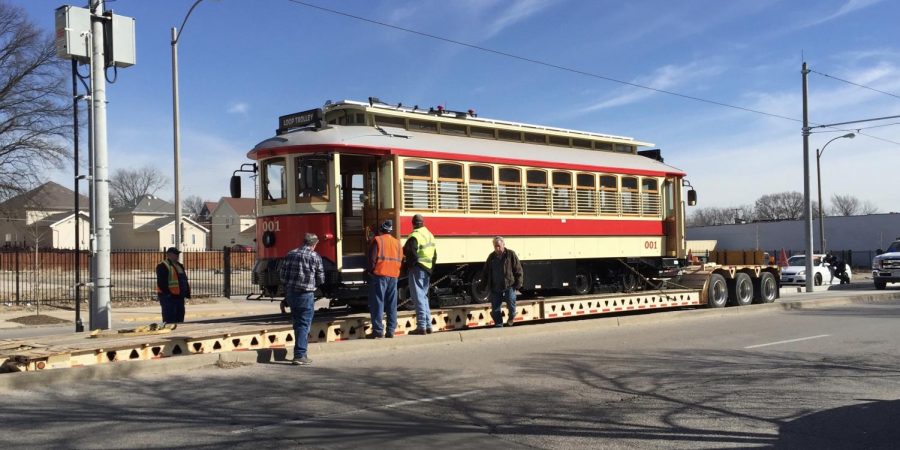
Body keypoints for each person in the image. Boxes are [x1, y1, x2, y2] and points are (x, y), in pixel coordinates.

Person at [279, 233, 325, 366]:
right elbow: (321, 278)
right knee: (304, 324)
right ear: (314, 244)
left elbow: (282, 275)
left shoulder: (290, 254)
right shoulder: (315, 256)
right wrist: (313, 284)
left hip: (291, 294)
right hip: (306, 294)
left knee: (297, 323)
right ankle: (300, 355)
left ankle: (301, 353)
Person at [366, 220, 402, 339]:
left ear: (381, 230)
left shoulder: (378, 240)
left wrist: (370, 271)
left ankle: (378, 330)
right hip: (394, 275)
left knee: (378, 302)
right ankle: (391, 330)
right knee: (392, 303)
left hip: (380, 274)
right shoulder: (397, 243)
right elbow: (401, 259)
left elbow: (372, 259)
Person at [480, 236, 524, 328]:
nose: (497, 248)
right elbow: (485, 272)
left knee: (511, 305)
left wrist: (519, 283)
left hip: (509, 285)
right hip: (496, 286)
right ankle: (499, 325)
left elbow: (518, 269)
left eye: (499, 246)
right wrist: (482, 286)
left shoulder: (510, 254)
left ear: (503, 244)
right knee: (495, 309)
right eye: (495, 246)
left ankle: (511, 317)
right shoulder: (491, 257)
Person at [404, 214, 436, 335]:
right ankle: (428, 326)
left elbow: (410, 252)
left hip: (417, 268)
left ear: (413, 223)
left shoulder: (415, 235)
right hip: (427, 268)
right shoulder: (429, 234)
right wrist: (430, 268)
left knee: (417, 297)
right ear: (423, 222)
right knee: (423, 297)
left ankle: (421, 326)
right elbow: (435, 255)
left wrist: (410, 265)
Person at [156, 247, 191, 324]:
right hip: (168, 298)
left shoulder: (179, 265)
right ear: (169, 255)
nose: (177, 256)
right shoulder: (163, 265)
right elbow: (161, 282)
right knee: (169, 319)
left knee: (179, 318)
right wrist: (168, 294)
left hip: (179, 297)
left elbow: (184, 280)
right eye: (176, 254)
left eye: (178, 254)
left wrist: (186, 293)